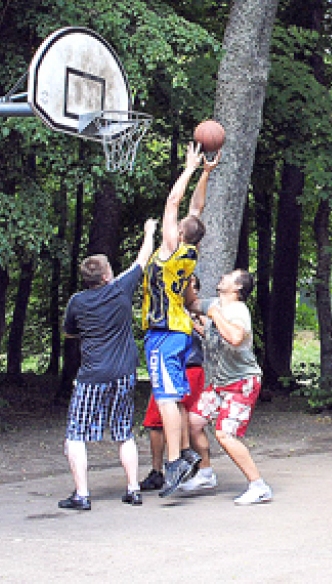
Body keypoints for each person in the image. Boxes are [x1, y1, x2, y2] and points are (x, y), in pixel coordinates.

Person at [58, 219, 157, 511]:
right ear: (105, 276)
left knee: (76, 435)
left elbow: (69, 331)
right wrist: (149, 231)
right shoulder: (120, 290)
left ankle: (82, 495)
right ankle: (133, 489)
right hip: (124, 373)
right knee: (123, 432)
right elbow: (143, 258)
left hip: (92, 376)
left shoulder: (78, 302)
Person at [142, 143, 219, 497]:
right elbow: (195, 207)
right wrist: (206, 172)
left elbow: (174, 204)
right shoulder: (191, 251)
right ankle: (180, 456)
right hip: (178, 330)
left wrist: (188, 168)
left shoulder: (172, 249)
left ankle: (176, 460)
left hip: (164, 330)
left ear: (180, 232)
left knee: (165, 397)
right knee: (169, 397)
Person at [186, 269, 271, 504]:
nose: (222, 276)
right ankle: (205, 474)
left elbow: (235, 337)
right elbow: (192, 303)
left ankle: (258, 485)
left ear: (237, 288)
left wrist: (214, 315)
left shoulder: (237, 311)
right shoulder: (215, 303)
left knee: (225, 434)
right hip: (220, 384)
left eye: (230, 276)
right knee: (193, 422)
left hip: (242, 383)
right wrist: (182, 276)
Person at [139, 278, 210, 492]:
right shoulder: (166, 311)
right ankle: (157, 470)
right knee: (154, 421)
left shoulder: (197, 313)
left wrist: (192, 321)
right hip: (166, 366)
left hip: (189, 368)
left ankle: (191, 464)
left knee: (186, 419)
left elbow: (211, 334)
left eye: (189, 285)